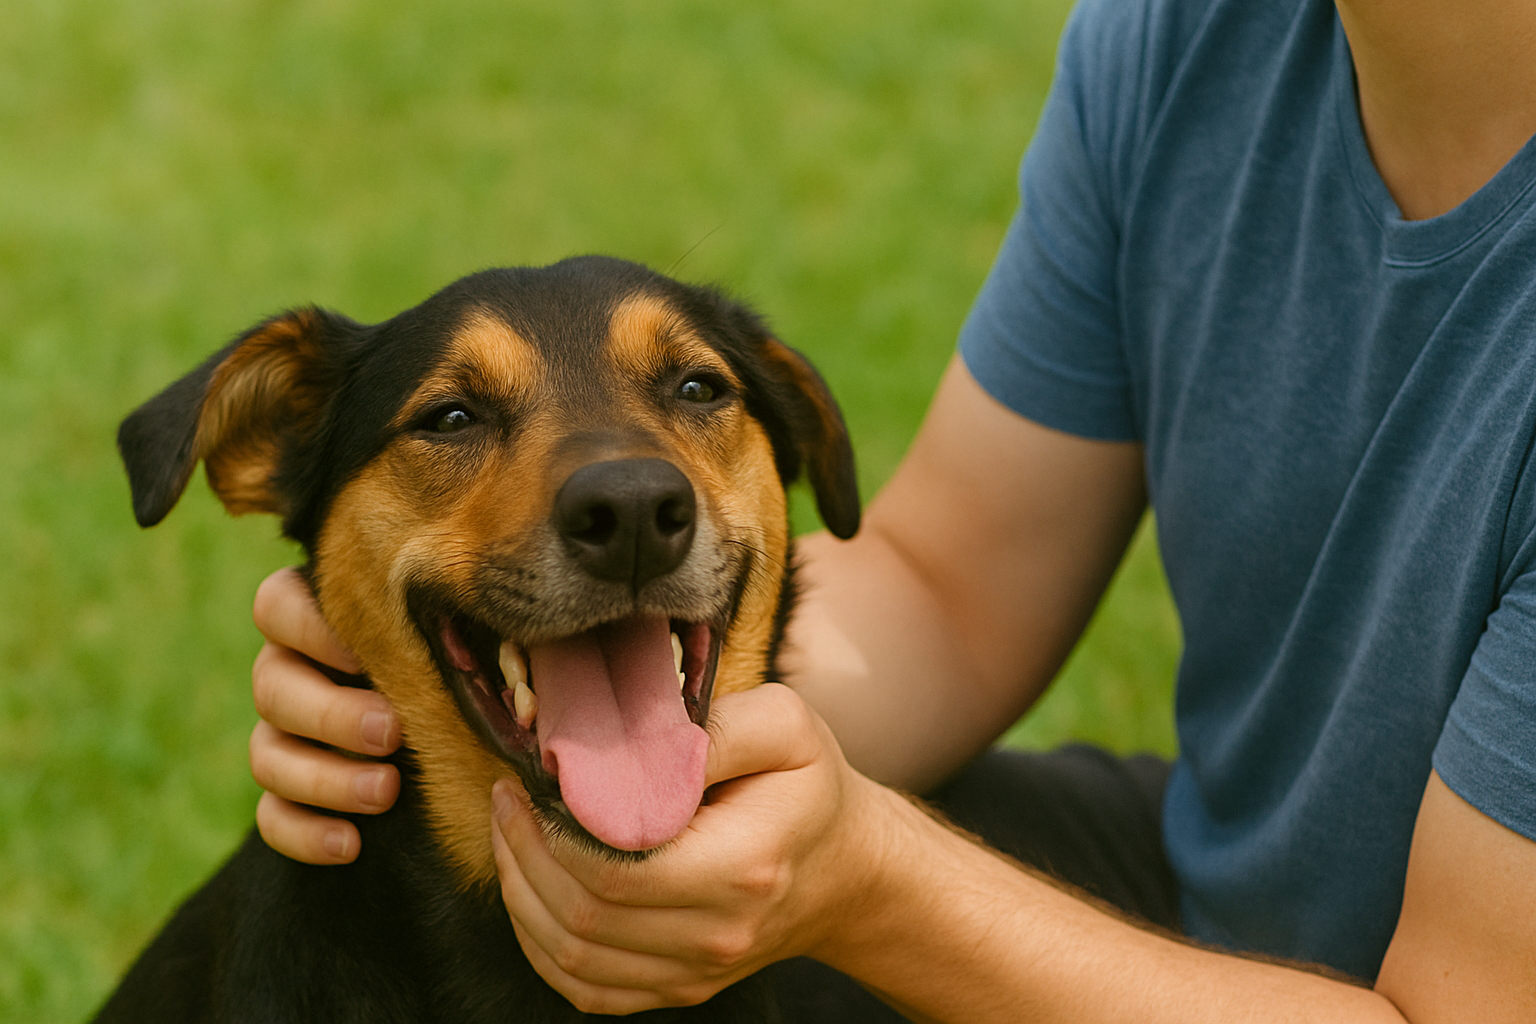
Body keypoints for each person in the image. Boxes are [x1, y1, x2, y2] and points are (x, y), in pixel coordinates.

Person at [244, 0, 1536, 1019]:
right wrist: (493, 705)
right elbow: (943, 590)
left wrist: (872, 885)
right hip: (1221, 890)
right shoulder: (1193, 40)